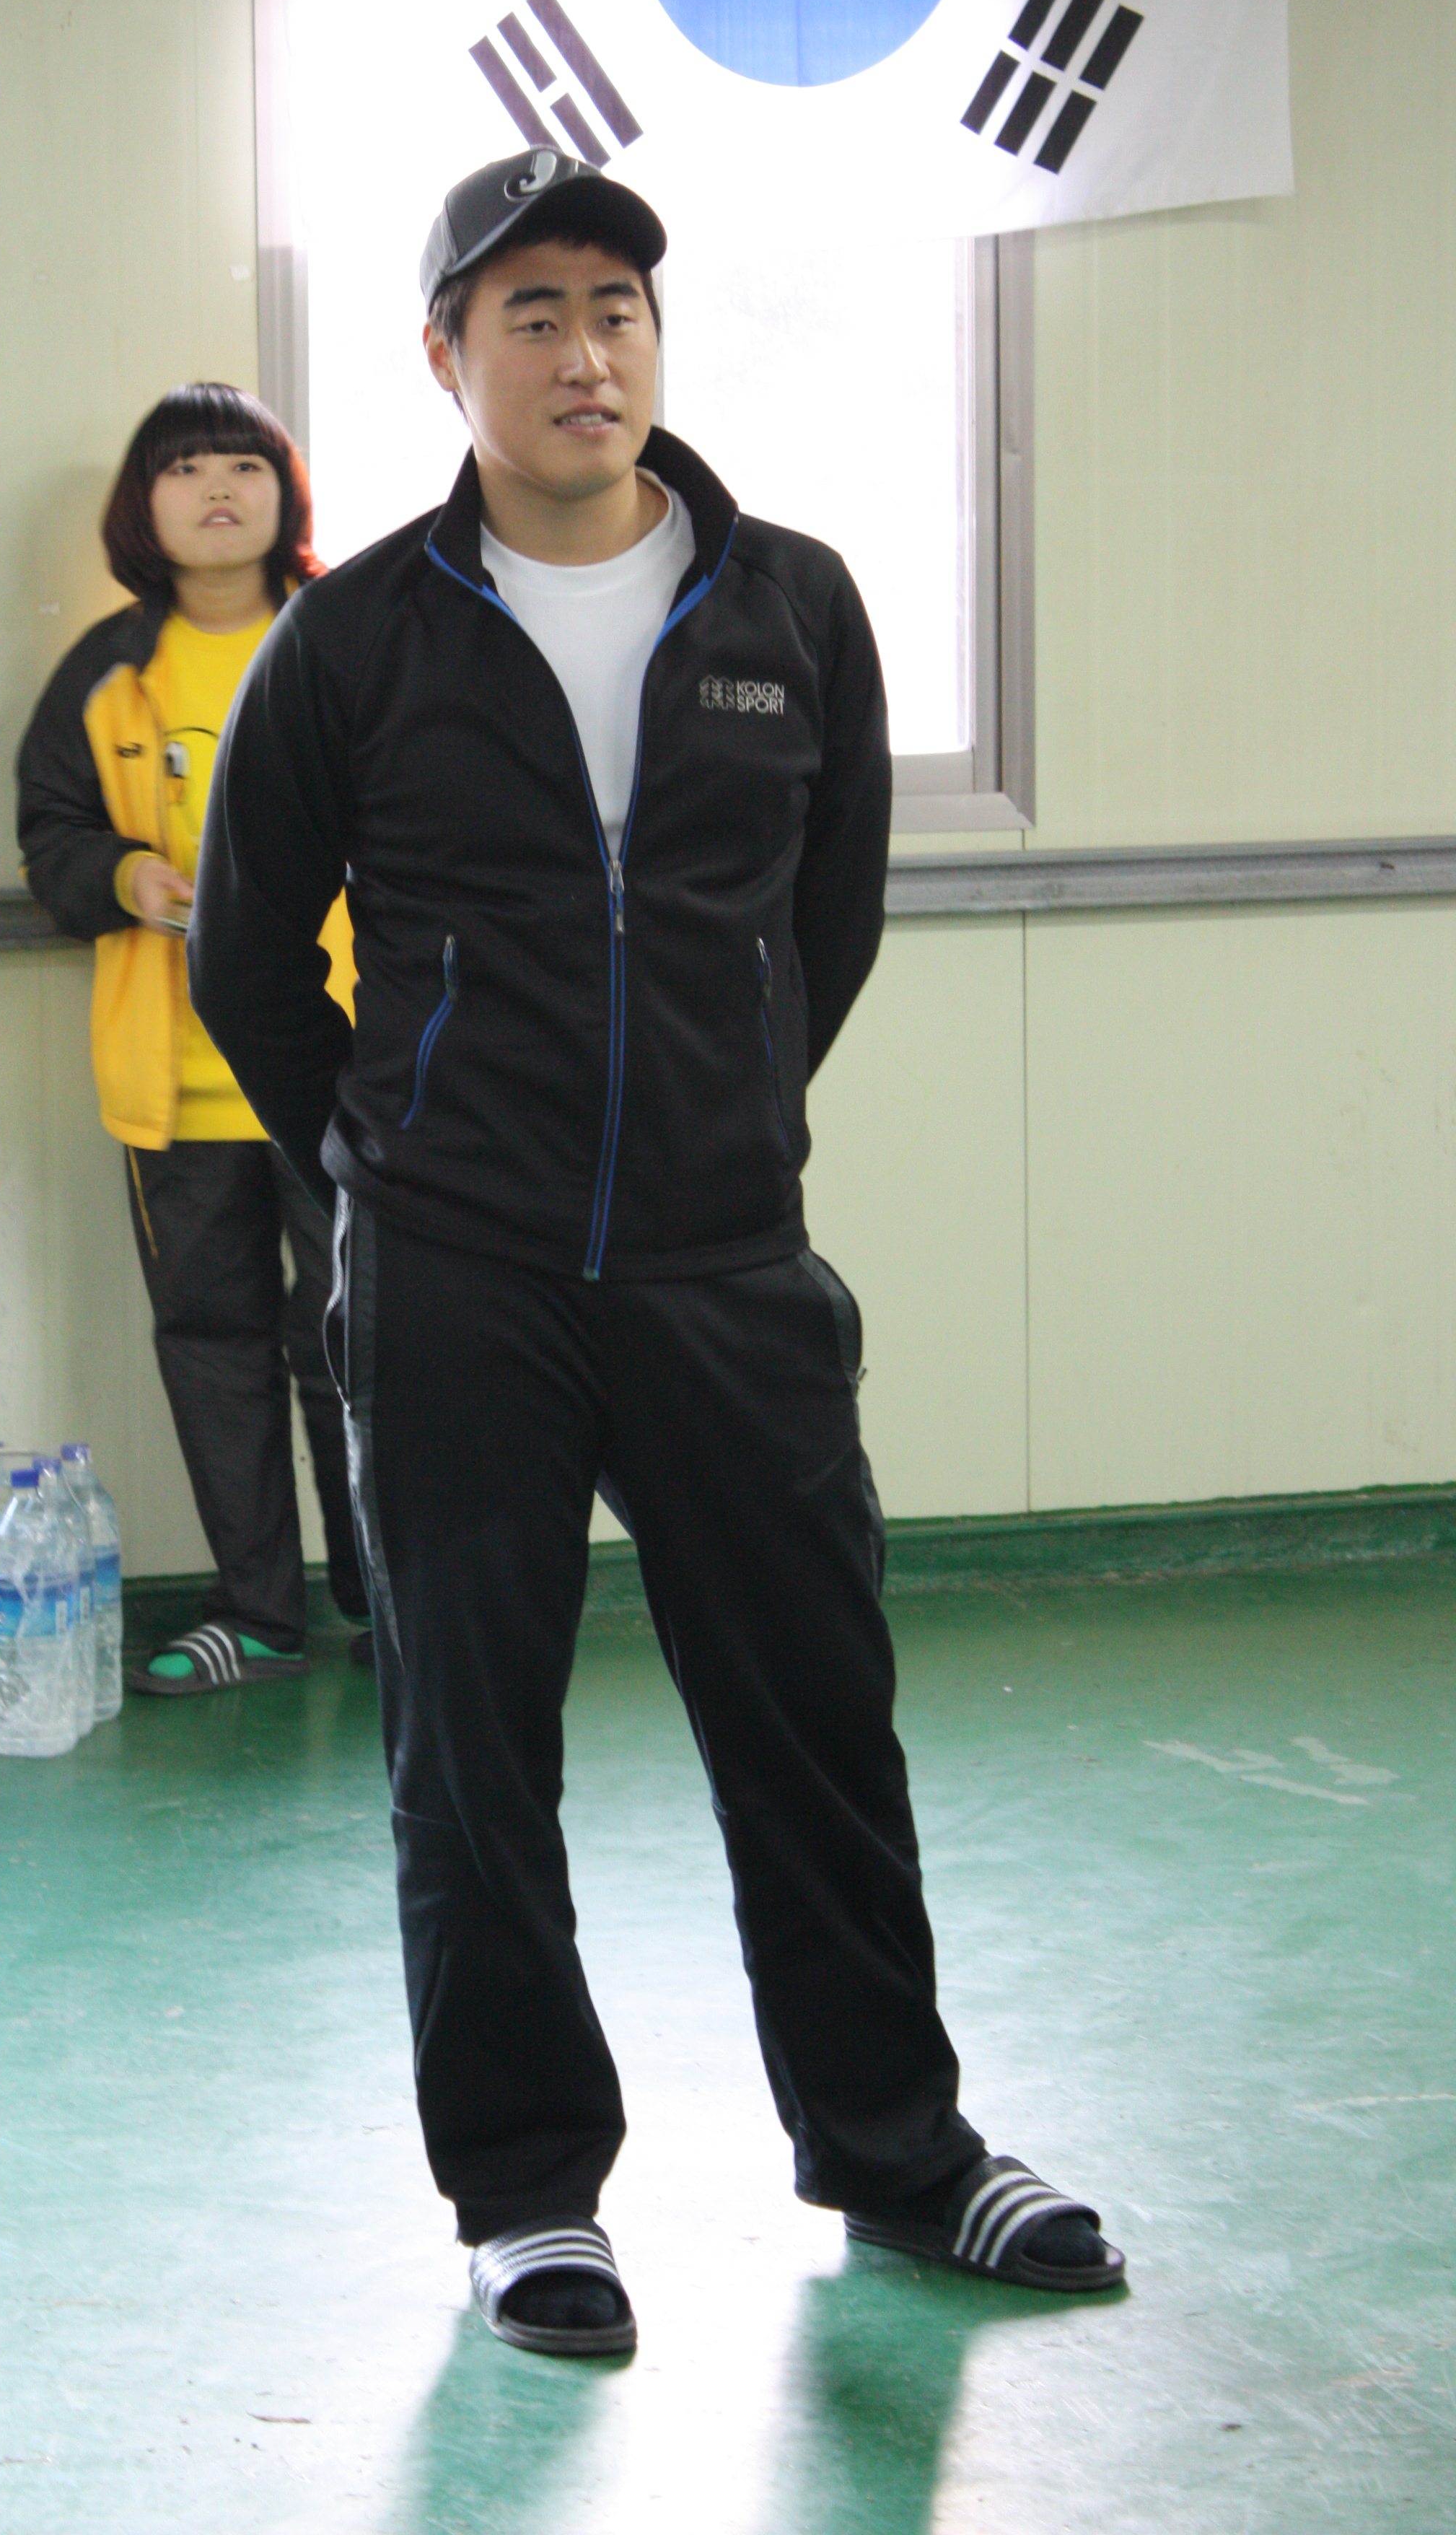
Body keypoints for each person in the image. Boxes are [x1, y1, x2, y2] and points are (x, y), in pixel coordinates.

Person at [188, 151, 1123, 2351]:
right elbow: (248, 956)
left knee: (818, 1723)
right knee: (471, 1754)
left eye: (617, 306)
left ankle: (901, 2150)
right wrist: (390, 1165)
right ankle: (529, 2194)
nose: (585, 350)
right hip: (460, 1281)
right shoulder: (357, 637)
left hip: (728, 1268)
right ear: (447, 357)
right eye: (532, 312)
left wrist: (733, 1115)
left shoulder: (791, 607)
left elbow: (831, 916)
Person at [16, 382, 368, 1694]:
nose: (218, 488)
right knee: (213, 1348)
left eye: (244, 465)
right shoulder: (107, 672)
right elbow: (51, 831)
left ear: (286, 494)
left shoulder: (347, 639)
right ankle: (259, 1612)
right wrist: (125, 877)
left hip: (345, 1078)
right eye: (185, 469)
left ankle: (395, 1603)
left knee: (363, 1344)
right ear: (142, 507)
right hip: (173, 1087)